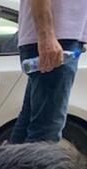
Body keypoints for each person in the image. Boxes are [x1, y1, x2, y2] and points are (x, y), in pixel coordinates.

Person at [10, 0, 86, 144]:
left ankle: (4, 166)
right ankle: (33, 167)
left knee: (30, 125)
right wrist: (46, 36)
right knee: (45, 133)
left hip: (62, 37)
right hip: (58, 38)